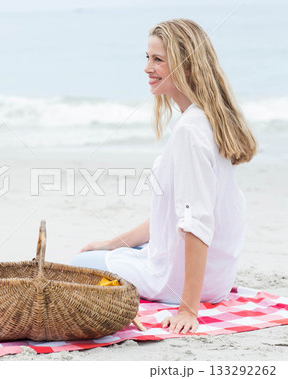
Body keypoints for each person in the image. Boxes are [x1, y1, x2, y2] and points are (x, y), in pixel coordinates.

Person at [70, 19, 257, 335]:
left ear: (186, 66)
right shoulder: (206, 119)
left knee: (77, 265)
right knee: (110, 252)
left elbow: (196, 222)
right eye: (147, 57)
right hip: (217, 274)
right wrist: (110, 243)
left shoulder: (190, 131)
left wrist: (188, 310)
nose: (147, 68)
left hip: (188, 283)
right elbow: (169, 217)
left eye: (158, 59)